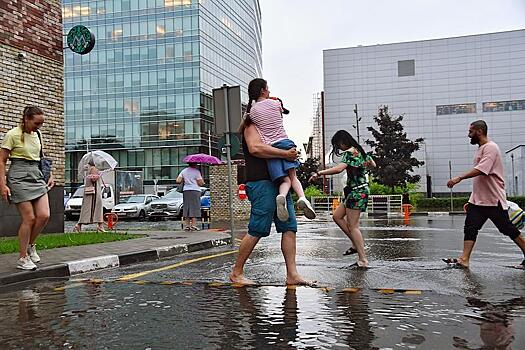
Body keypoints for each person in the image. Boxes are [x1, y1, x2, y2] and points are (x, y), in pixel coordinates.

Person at [229, 118, 314, 286]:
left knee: (289, 227)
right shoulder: (251, 125)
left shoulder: (270, 130)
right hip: (261, 183)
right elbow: (255, 148)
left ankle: (292, 274)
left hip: (279, 182)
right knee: (257, 229)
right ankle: (236, 272)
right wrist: (285, 154)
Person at [445, 120, 525, 269]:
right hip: (478, 201)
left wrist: (459, 177)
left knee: (507, 229)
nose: (468, 135)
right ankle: (464, 259)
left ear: (479, 131)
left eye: (470, 132)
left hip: (493, 200)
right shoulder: (481, 149)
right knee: (470, 227)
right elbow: (480, 179)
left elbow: (482, 170)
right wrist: (471, 200)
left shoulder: (491, 148)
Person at [244, 78, 315, 222]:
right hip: (285, 143)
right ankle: (302, 198)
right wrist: (274, 101)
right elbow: (282, 111)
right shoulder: (275, 103)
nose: (269, 90)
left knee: (285, 180)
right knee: (293, 177)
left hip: (271, 149)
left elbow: (246, 122)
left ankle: (281, 196)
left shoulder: (252, 112)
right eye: (267, 88)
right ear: (263, 90)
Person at [309, 130, 376, 268]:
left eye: (338, 145)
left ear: (342, 141)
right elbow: (373, 164)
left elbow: (339, 169)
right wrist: (361, 168)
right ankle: (356, 244)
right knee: (337, 216)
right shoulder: (360, 151)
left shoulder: (350, 153)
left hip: (357, 192)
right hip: (357, 191)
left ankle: (363, 259)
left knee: (353, 226)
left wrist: (319, 173)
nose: (338, 148)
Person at [0, 106, 55, 270]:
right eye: (37, 123)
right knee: (29, 218)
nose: (39, 127)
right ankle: (22, 258)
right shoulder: (12, 135)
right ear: (26, 119)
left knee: (44, 215)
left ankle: (31, 244)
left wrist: (49, 174)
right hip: (18, 176)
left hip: (36, 175)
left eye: (41, 124)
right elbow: (2, 160)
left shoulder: (38, 134)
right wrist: (2, 184)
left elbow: (41, 157)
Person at [74, 160, 105, 232]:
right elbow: (93, 179)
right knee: (93, 208)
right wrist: (99, 175)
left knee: (89, 208)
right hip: (94, 193)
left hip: (92, 192)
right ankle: (79, 225)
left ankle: (100, 225)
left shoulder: (89, 168)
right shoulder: (93, 168)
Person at [176, 162, 204, 231]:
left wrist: (185, 180)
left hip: (186, 191)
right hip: (195, 190)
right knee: (194, 207)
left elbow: (178, 180)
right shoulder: (196, 171)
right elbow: (201, 183)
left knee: (187, 207)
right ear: (195, 164)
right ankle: (193, 225)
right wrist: (202, 181)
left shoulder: (184, 171)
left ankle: (187, 225)